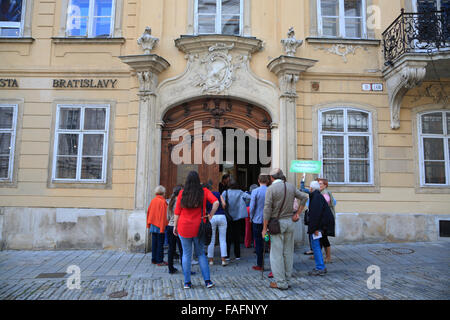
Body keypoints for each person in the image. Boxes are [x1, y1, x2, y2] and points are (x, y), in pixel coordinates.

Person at [262, 169, 308, 290]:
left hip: (276, 223)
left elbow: (267, 210)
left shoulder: (271, 189)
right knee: (288, 252)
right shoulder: (290, 186)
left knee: (276, 254)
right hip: (290, 222)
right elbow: (304, 197)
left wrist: (264, 228)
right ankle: (287, 279)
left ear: (272, 178)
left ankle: (281, 282)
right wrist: (298, 213)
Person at [173, 171, 220, 289]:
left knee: (186, 254)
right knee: (200, 254)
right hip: (199, 227)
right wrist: (210, 215)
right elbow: (216, 202)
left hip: (184, 227)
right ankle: (208, 281)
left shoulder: (182, 193)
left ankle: (187, 282)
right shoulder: (204, 192)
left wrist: (175, 226)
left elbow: (177, 212)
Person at [307, 181, 335, 276]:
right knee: (317, 246)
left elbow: (315, 215)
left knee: (316, 246)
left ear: (311, 188)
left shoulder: (316, 198)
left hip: (318, 227)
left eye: (309, 188)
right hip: (320, 226)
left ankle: (320, 267)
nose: (309, 189)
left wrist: (315, 229)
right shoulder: (317, 195)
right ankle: (320, 266)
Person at [222, 179, 251, 261]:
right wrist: (243, 204)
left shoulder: (225, 192)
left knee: (227, 237)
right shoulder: (240, 192)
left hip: (228, 217)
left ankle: (227, 256)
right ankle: (237, 255)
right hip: (238, 217)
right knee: (236, 237)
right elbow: (250, 198)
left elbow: (221, 202)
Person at [204, 183, 229, 266]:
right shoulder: (217, 194)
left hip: (212, 217)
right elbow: (224, 204)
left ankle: (211, 260)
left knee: (211, 239)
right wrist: (222, 209)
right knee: (222, 239)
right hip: (222, 216)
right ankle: (223, 260)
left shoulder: (205, 196)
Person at [249, 174, 270, 271]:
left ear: (258, 181)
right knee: (266, 239)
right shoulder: (270, 190)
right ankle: (267, 251)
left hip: (257, 221)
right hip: (268, 220)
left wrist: (251, 217)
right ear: (268, 181)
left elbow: (252, 206)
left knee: (258, 242)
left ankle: (260, 264)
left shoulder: (255, 191)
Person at [147, 185, 169, 266]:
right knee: (160, 243)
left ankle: (154, 259)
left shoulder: (153, 200)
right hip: (160, 225)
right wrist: (163, 228)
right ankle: (160, 260)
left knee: (154, 243)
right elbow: (163, 216)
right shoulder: (162, 202)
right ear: (163, 193)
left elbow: (149, 212)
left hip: (153, 224)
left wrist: (148, 224)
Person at [317, 178, 336, 263]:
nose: (319, 185)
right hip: (324, 218)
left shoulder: (325, 193)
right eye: (318, 184)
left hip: (326, 218)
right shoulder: (321, 192)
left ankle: (328, 257)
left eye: (321, 184)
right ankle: (318, 254)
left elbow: (325, 204)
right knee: (320, 237)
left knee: (324, 237)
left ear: (325, 185)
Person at [166, 185, 184, 274]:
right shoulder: (180, 201)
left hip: (170, 226)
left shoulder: (170, 202)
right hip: (178, 227)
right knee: (181, 249)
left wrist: (171, 221)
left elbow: (167, 216)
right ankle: (185, 268)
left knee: (171, 248)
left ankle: (170, 268)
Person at [245, 184, 258, 248]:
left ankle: (247, 243)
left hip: (247, 209)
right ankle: (256, 244)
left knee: (248, 228)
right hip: (255, 210)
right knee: (255, 228)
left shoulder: (246, 193)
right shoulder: (257, 193)